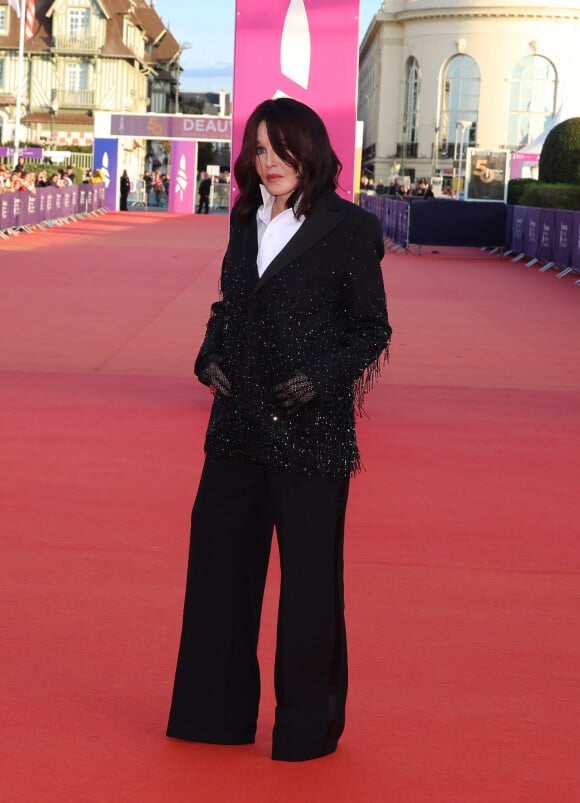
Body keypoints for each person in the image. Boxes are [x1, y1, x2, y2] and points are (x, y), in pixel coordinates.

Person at [166, 98, 392, 762]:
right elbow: (230, 303)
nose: (268, 162)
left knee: (310, 585)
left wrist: (320, 378)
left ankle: (305, 727)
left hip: (310, 430)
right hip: (235, 425)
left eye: (280, 147)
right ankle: (213, 713)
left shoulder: (350, 228)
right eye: (259, 150)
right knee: (217, 570)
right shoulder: (244, 219)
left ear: (310, 149)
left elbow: (372, 327)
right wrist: (208, 352)